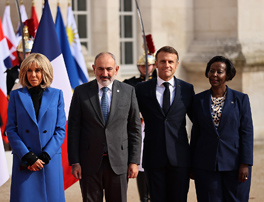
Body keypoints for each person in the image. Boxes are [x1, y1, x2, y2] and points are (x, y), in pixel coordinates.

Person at [67, 51, 142, 202]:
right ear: (94, 69)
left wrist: (134, 161)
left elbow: (134, 129)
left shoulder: (128, 91)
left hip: (119, 163)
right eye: (100, 69)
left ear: (117, 69)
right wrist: (75, 162)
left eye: (109, 69)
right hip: (89, 163)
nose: (105, 73)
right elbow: (74, 129)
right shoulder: (81, 92)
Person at [135, 46, 195, 202]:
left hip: (180, 158)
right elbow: (131, 121)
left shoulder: (187, 89)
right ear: (156, 64)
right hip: (153, 157)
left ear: (176, 64)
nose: (166, 65)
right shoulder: (141, 90)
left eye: (170, 62)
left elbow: (198, 122)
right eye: (162, 61)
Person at [190, 56, 253, 202]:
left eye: (220, 71)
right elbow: (196, 133)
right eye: (211, 71)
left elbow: (247, 132)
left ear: (228, 75)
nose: (214, 75)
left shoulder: (241, 99)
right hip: (206, 164)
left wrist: (245, 163)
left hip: (235, 164)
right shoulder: (198, 100)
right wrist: (192, 164)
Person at [6, 53, 66, 202]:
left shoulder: (57, 95)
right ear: (24, 72)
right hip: (25, 161)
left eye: (38, 70)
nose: (33, 75)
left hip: (49, 161)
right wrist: (28, 156)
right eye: (29, 70)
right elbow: (11, 129)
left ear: (45, 72)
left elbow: (60, 129)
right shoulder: (15, 96)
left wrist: (45, 155)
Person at [124, 53, 157, 202]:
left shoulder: (159, 82)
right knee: (141, 163)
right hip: (139, 127)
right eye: (143, 66)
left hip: (156, 129)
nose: (146, 68)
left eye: (149, 65)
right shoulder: (130, 83)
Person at [6, 26, 34, 97]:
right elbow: (9, 95)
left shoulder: (38, 70)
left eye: (28, 53)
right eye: (23, 53)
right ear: (18, 54)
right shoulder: (12, 72)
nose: (26, 56)